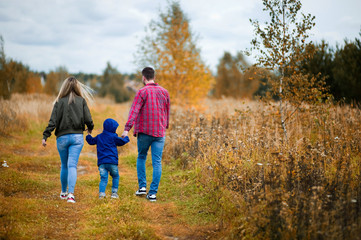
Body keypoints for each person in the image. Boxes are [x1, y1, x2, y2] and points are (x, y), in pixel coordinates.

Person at [42, 76, 94, 203]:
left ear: (64, 87)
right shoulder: (81, 100)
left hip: (62, 138)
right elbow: (88, 119)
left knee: (64, 165)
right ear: (77, 87)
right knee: (72, 165)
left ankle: (63, 192)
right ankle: (71, 195)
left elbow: (52, 121)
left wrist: (45, 136)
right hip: (77, 137)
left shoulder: (59, 102)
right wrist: (90, 128)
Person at [121, 67, 170, 202]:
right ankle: (152, 193)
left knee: (141, 156)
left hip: (144, 131)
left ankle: (142, 187)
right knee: (157, 162)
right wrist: (165, 126)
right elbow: (167, 112)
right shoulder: (164, 92)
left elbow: (134, 111)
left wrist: (127, 129)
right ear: (154, 77)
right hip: (159, 133)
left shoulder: (142, 92)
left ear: (143, 78)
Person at [86, 118, 130, 199]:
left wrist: (88, 134)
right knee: (115, 176)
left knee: (103, 178)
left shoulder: (99, 137)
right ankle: (114, 193)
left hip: (102, 163)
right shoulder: (114, 137)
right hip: (112, 162)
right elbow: (122, 142)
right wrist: (126, 137)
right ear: (112, 128)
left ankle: (102, 194)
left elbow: (91, 141)